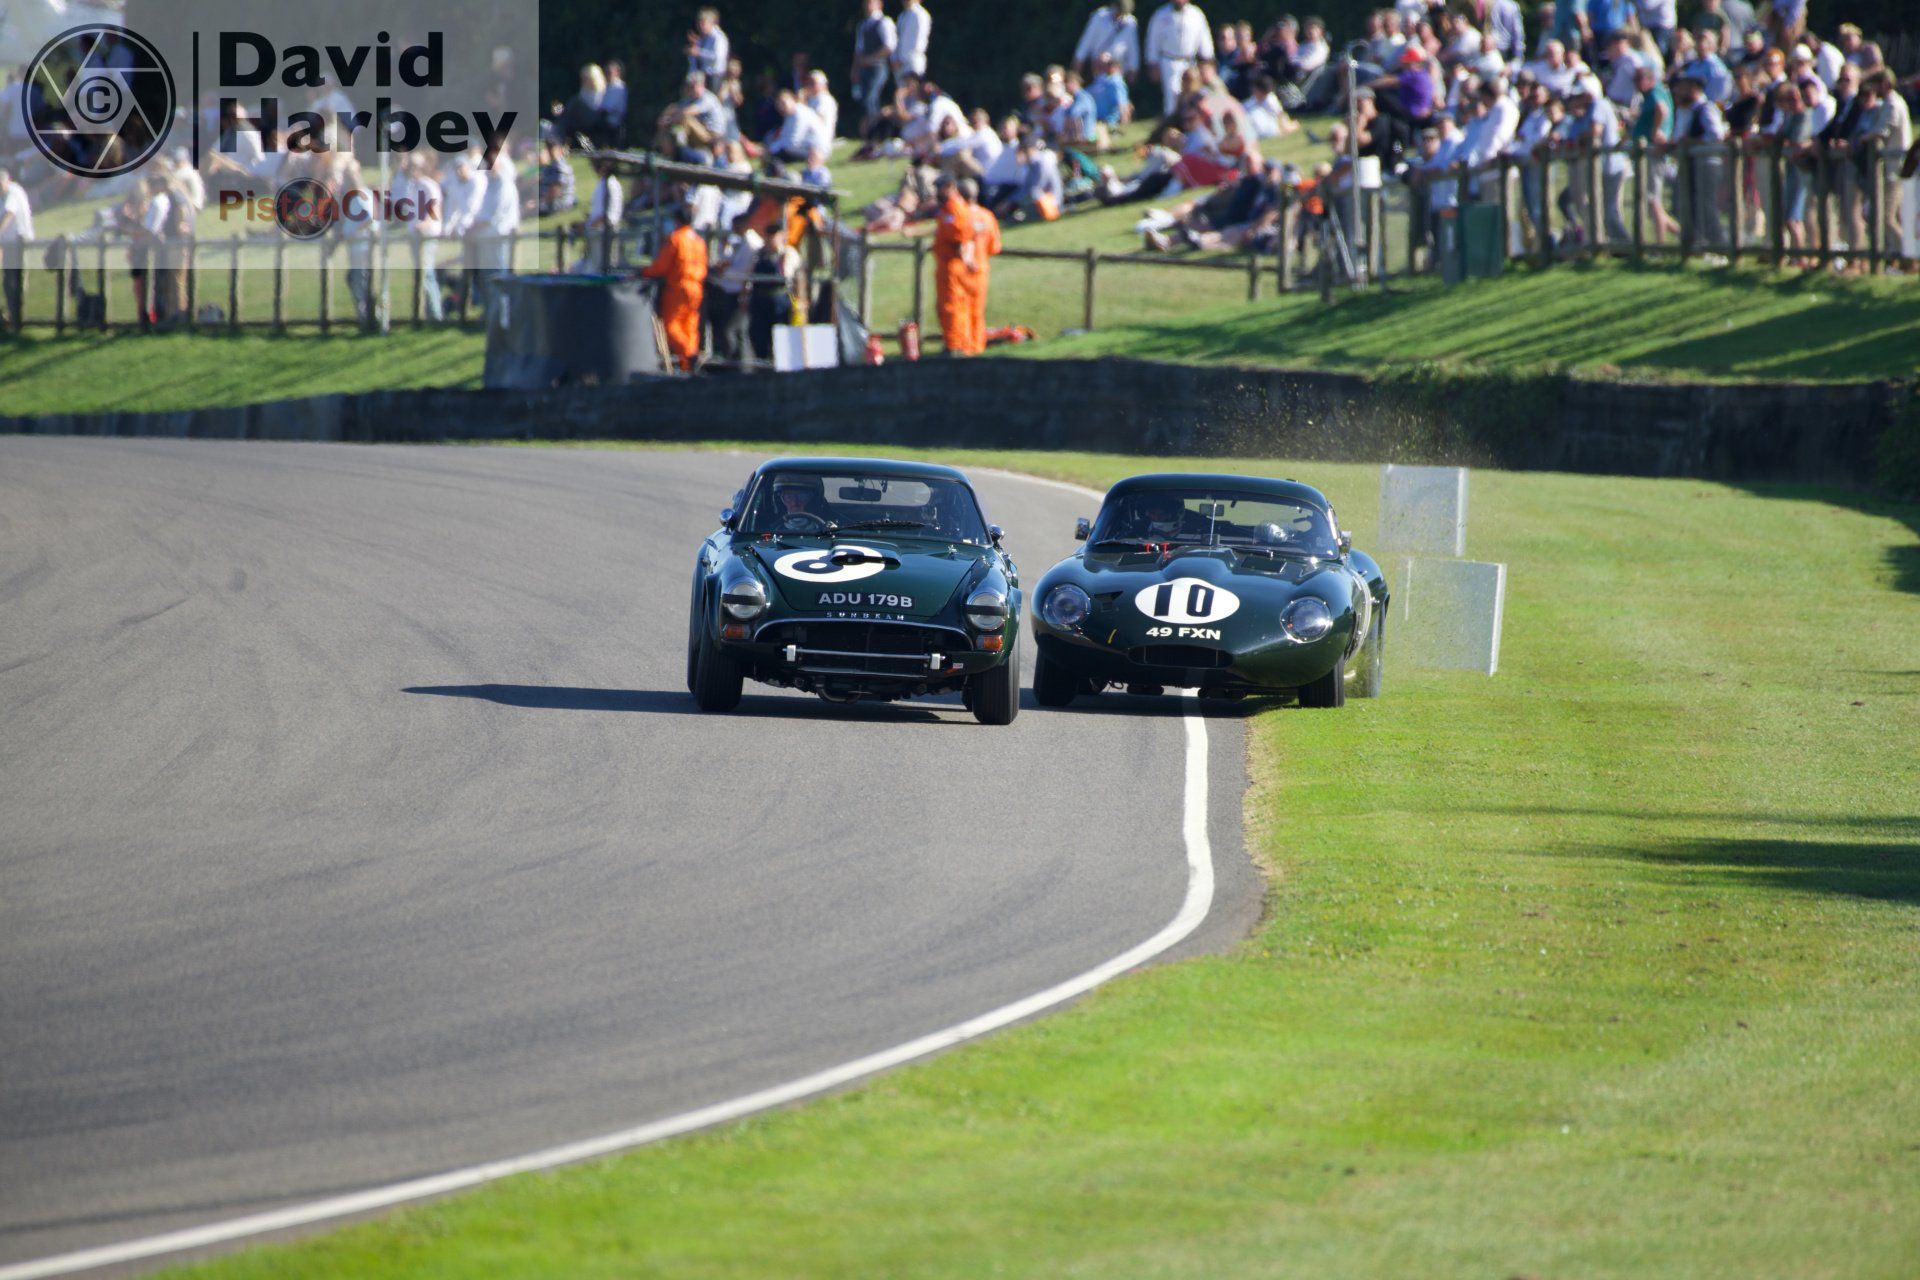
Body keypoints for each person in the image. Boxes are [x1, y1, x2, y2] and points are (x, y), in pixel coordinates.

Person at [641, 204, 708, 372]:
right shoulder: (699, 241)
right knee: (690, 325)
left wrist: (643, 271)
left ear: (677, 220)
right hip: (697, 287)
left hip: (679, 287)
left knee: (672, 326)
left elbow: (661, 267)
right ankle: (689, 366)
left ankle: (690, 355)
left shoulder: (676, 239)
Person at [930, 174, 978, 354]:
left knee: (952, 306)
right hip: (945, 265)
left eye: (940, 188)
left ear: (950, 187)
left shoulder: (955, 208)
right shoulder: (946, 209)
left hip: (953, 266)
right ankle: (953, 343)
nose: (937, 192)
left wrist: (966, 258)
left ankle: (955, 346)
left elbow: (960, 238)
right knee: (946, 306)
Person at [1145, 0, 1214, 118]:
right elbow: (1153, 40)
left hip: (1190, 61)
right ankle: (1171, 119)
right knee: (1172, 93)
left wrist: (1208, 61)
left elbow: (1204, 39)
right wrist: (1153, 63)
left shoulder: (1196, 14)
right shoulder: (1161, 14)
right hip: (1169, 60)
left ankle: (1190, 120)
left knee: (1192, 92)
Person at [962, 177, 1000, 355]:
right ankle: (977, 348)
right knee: (977, 312)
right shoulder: (987, 216)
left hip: (961, 271)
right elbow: (994, 247)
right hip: (981, 269)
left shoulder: (960, 216)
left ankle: (963, 348)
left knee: (961, 310)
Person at [852, 0, 897, 128]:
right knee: (865, 99)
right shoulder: (863, 25)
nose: (868, 5)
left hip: (878, 67)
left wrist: (870, 58)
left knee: (871, 98)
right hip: (864, 68)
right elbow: (859, 49)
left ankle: (875, 128)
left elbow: (889, 46)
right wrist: (855, 69)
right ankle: (869, 128)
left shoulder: (884, 22)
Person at [1075, 1, 1142, 81]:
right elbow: (1086, 42)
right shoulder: (1100, 17)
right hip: (1096, 66)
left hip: (1116, 69)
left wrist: (1133, 68)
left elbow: (1133, 49)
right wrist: (1078, 65)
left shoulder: (1130, 24)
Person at [0, 167, 32, 332]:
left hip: (18, 240)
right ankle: (12, 317)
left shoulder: (13, 192)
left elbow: (8, 214)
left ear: (6, 181)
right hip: (8, 242)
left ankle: (16, 319)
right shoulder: (4, 194)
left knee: (14, 281)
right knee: (9, 281)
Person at [688, 8, 730, 82]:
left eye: (703, 23)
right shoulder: (704, 37)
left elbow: (718, 56)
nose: (700, 26)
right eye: (699, 23)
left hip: (715, 76)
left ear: (712, 22)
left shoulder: (719, 37)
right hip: (704, 75)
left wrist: (699, 52)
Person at [895, 0, 932, 82]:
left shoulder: (921, 14)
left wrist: (903, 59)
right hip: (899, 63)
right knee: (903, 88)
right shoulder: (902, 16)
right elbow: (898, 40)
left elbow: (919, 42)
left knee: (912, 87)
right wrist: (895, 58)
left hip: (913, 61)